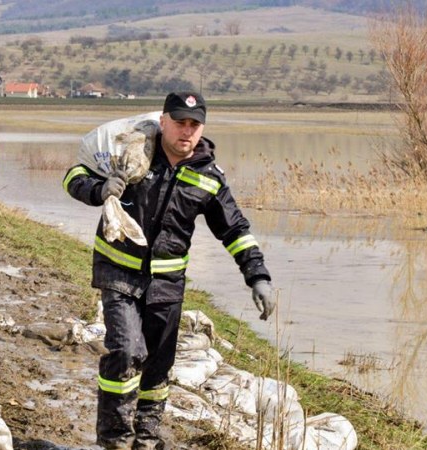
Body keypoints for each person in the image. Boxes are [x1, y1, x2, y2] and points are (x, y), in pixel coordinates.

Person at [62, 91, 275, 449]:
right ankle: (114, 440)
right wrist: (100, 189)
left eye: (194, 124)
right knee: (127, 353)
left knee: (158, 368)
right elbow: (73, 177)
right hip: (119, 273)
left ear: (202, 127)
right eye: (179, 122)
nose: (186, 131)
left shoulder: (209, 177)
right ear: (163, 122)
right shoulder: (132, 154)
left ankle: (145, 440)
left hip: (167, 286)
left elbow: (235, 230)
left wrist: (258, 277)